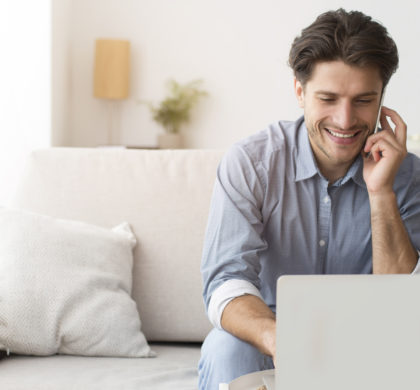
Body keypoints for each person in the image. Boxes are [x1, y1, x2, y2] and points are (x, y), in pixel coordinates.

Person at [198, 8, 420, 390]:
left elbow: (401, 308)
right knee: (225, 349)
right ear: (300, 92)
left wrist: (381, 192)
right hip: (270, 338)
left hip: (369, 344)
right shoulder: (251, 163)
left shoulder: (407, 176)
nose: (346, 119)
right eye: (328, 98)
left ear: (383, 100)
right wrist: (279, 339)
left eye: (363, 100)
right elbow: (226, 282)